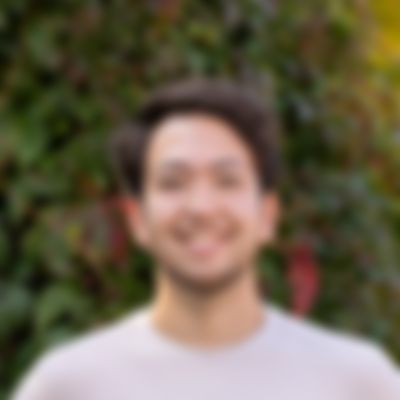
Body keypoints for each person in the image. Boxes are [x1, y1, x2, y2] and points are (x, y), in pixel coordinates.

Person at [12, 78, 400, 400]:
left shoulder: (357, 382)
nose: (201, 207)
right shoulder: (70, 385)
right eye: (173, 182)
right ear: (137, 219)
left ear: (267, 216)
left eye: (227, 180)